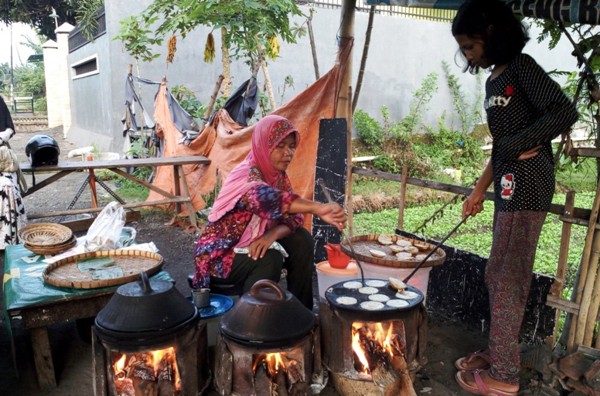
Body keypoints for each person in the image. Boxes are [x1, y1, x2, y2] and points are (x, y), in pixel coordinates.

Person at [451, 0, 578, 395]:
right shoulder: (495, 80)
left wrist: (526, 141)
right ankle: (499, 351)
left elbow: (563, 111)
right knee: (497, 273)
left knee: (508, 277)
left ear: (491, 33)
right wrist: (478, 189)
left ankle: (504, 377)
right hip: (507, 184)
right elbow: (501, 147)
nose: (468, 55)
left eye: (470, 46)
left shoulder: (523, 68)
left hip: (529, 183)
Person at [192, 115, 347, 310]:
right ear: (263, 145)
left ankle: (301, 312)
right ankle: (252, 320)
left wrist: (271, 234)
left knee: (302, 240)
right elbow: (267, 199)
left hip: (249, 244)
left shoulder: (277, 176)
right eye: (280, 146)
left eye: (291, 146)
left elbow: (296, 217)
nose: (288, 153)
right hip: (219, 255)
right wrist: (318, 207)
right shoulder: (247, 175)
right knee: (270, 259)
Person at [0, 96, 26, 249]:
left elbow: (10, 128)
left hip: (2, 162)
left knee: (8, 189)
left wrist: (1, 137)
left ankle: (10, 241)